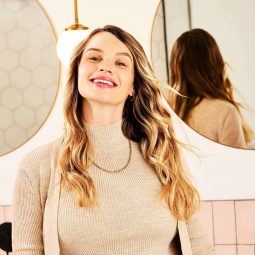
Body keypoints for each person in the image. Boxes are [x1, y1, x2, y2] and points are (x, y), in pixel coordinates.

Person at [12, 25, 214, 255]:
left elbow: (200, 249)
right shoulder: (36, 168)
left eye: (120, 63)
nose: (105, 67)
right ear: (77, 73)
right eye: (94, 58)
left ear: (134, 86)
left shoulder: (163, 156)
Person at [168, 28, 254, 149]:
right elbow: (237, 165)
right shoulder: (225, 112)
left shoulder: (169, 111)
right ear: (215, 63)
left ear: (176, 68)